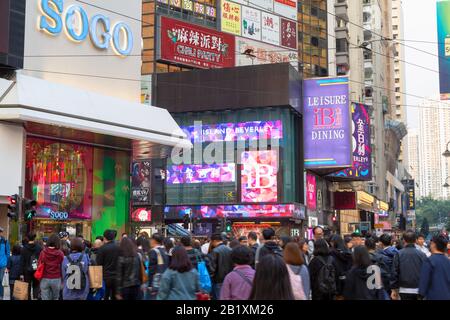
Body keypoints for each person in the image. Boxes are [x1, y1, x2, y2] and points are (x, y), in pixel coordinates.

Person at [391, 230, 427, 300]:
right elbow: (425, 273)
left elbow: (394, 272)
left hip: (403, 289)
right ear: (415, 240)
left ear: (404, 240)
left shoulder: (399, 254)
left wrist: (394, 289)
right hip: (418, 289)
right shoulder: (422, 255)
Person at [419, 235, 450, 300]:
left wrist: (421, 295)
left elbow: (424, 281)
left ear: (433, 244)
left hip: (433, 296)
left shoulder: (429, 260)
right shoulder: (448, 261)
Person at [96, 229, 121, 300]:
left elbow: (99, 264)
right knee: (115, 296)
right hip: (117, 276)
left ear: (104, 237)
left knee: (105, 295)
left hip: (106, 277)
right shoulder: (119, 247)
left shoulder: (102, 249)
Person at [38, 233, 64, 300]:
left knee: (44, 298)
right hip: (56, 278)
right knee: (55, 298)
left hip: (44, 278)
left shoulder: (43, 252)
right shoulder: (60, 253)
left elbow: (39, 264)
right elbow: (62, 265)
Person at [209, 233, 233, 300]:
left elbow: (212, 269)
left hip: (218, 281)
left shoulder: (215, 251)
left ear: (214, 241)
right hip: (229, 279)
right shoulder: (230, 250)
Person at [20, 232, 43, 300]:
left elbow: (22, 261)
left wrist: (21, 273)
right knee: (36, 286)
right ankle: (35, 297)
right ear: (34, 238)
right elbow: (41, 259)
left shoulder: (24, 248)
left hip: (26, 270)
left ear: (27, 238)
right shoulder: (39, 248)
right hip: (36, 270)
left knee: (28, 286)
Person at [329, 234, 352, 299]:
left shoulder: (332, 254)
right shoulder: (348, 253)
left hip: (337, 284)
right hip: (348, 283)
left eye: (332, 242)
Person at [148, 233, 170, 300]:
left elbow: (152, 269)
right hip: (165, 280)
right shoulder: (165, 250)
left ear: (154, 240)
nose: (150, 241)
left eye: (151, 239)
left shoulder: (154, 251)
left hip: (156, 282)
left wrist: (150, 284)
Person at [0, 227, 10, 300]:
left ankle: (1, 295)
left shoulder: (5, 241)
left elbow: (8, 253)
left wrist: (7, 264)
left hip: (2, 264)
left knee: (1, 280)